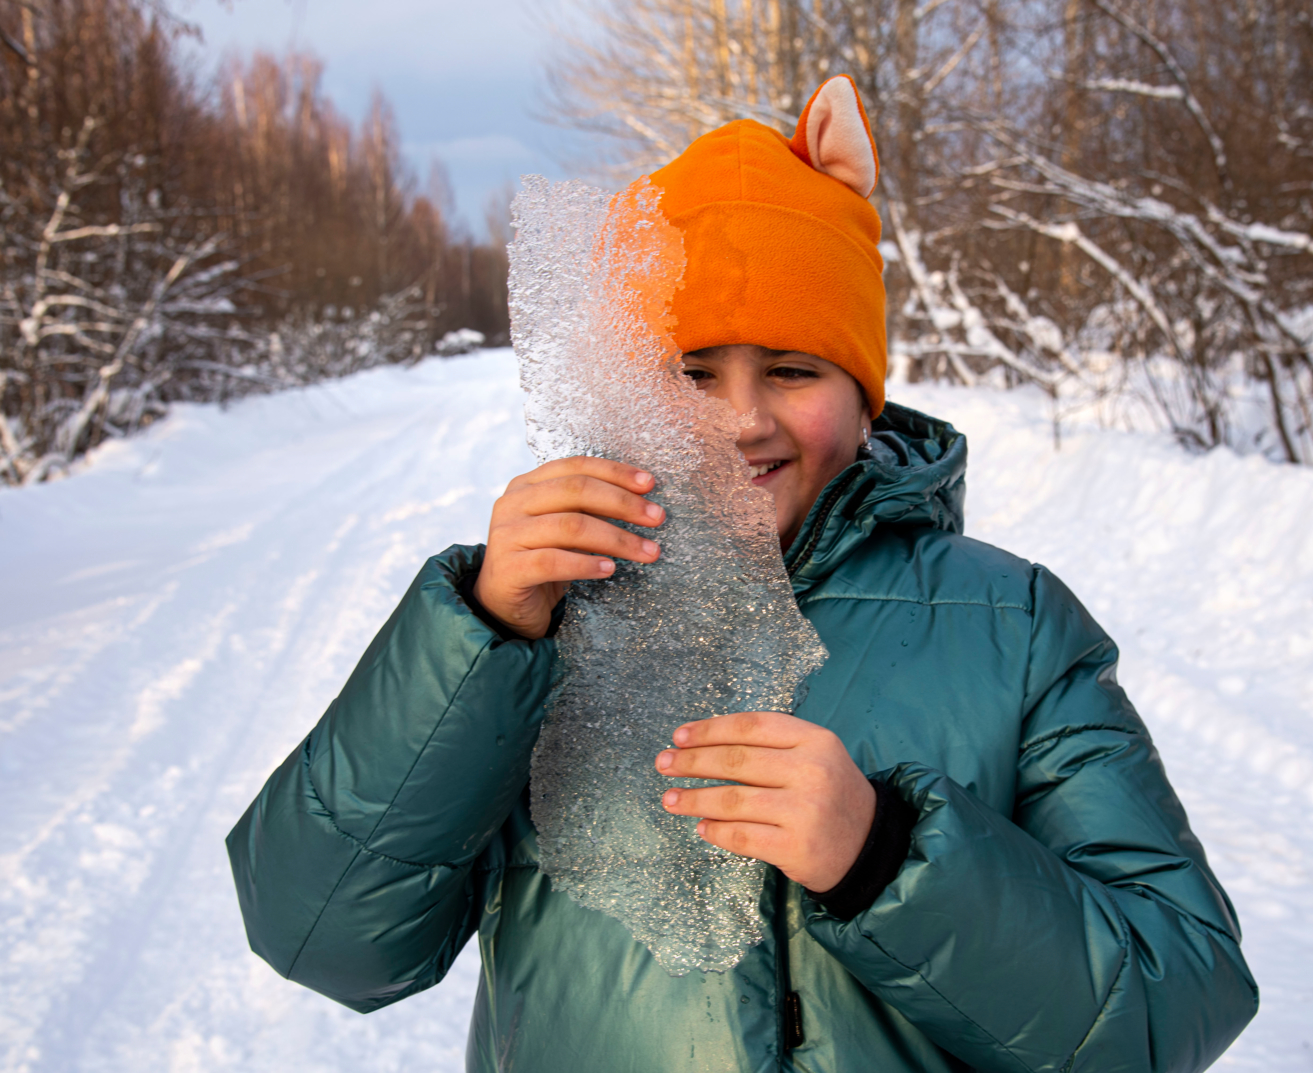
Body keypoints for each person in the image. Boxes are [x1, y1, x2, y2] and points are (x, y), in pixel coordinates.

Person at [227, 75, 1257, 1072]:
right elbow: (321, 934)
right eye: (692, 372)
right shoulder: (545, 622)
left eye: (795, 369)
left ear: (865, 397)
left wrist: (888, 857)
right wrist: (483, 634)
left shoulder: (1011, 623)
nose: (743, 417)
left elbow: (1176, 1003)